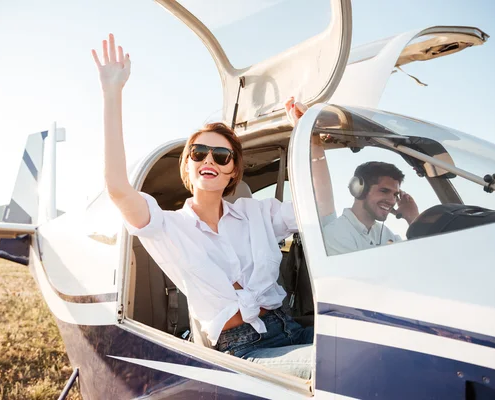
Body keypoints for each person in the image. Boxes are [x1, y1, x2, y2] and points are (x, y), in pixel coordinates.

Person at [91, 34, 324, 379]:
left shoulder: (257, 213)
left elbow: (322, 212)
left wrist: (313, 138)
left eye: (221, 154)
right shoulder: (168, 227)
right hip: (244, 348)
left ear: (232, 171)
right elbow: (119, 190)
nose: (209, 160)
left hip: (287, 327)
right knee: (338, 369)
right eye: (199, 153)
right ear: (188, 165)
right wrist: (112, 93)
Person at [321, 161, 420, 255]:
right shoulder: (337, 234)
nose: (392, 201)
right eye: (384, 191)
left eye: (395, 194)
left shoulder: (384, 233)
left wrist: (413, 218)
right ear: (359, 190)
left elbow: (415, 258)